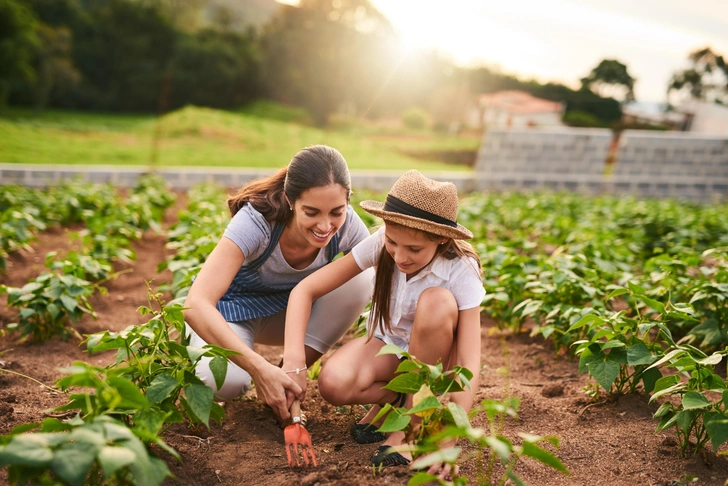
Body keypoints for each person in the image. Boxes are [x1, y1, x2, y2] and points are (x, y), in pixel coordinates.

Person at [283, 170, 484, 476]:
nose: (400, 256)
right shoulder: (381, 243)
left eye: (414, 250)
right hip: (390, 349)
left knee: (435, 300)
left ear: (443, 238)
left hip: (435, 364)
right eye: (392, 242)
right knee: (333, 383)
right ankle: (401, 399)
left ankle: (415, 427)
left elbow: (469, 362)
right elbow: (306, 289)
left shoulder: (461, 270)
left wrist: (449, 439)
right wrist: (294, 363)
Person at [183, 145, 373, 421]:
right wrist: (260, 369)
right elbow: (196, 303)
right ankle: (211, 348)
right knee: (223, 382)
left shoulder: (348, 225)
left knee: (364, 275)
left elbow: (388, 281)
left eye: (336, 211)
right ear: (289, 200)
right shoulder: (256, 222)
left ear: (347, 201)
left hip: (291, 318)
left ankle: (288, 383)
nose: (325, 225)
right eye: (311, 212)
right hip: (234, 314)